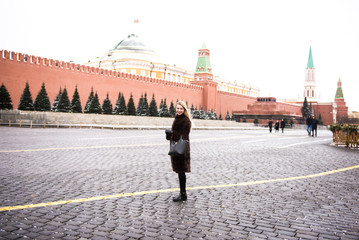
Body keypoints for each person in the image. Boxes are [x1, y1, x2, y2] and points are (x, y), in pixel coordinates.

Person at [169, 101, 192, 202]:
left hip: (181, 149)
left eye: (181, 109)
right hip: (177, 147)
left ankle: (183, 194)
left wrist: (172, 134)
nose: (179, 110)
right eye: (177, 108)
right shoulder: (177, 118)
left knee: (181, 172)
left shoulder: (186, 121)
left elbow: (183, 135)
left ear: (184, 109)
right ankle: (182, 194)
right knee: (180, 172)